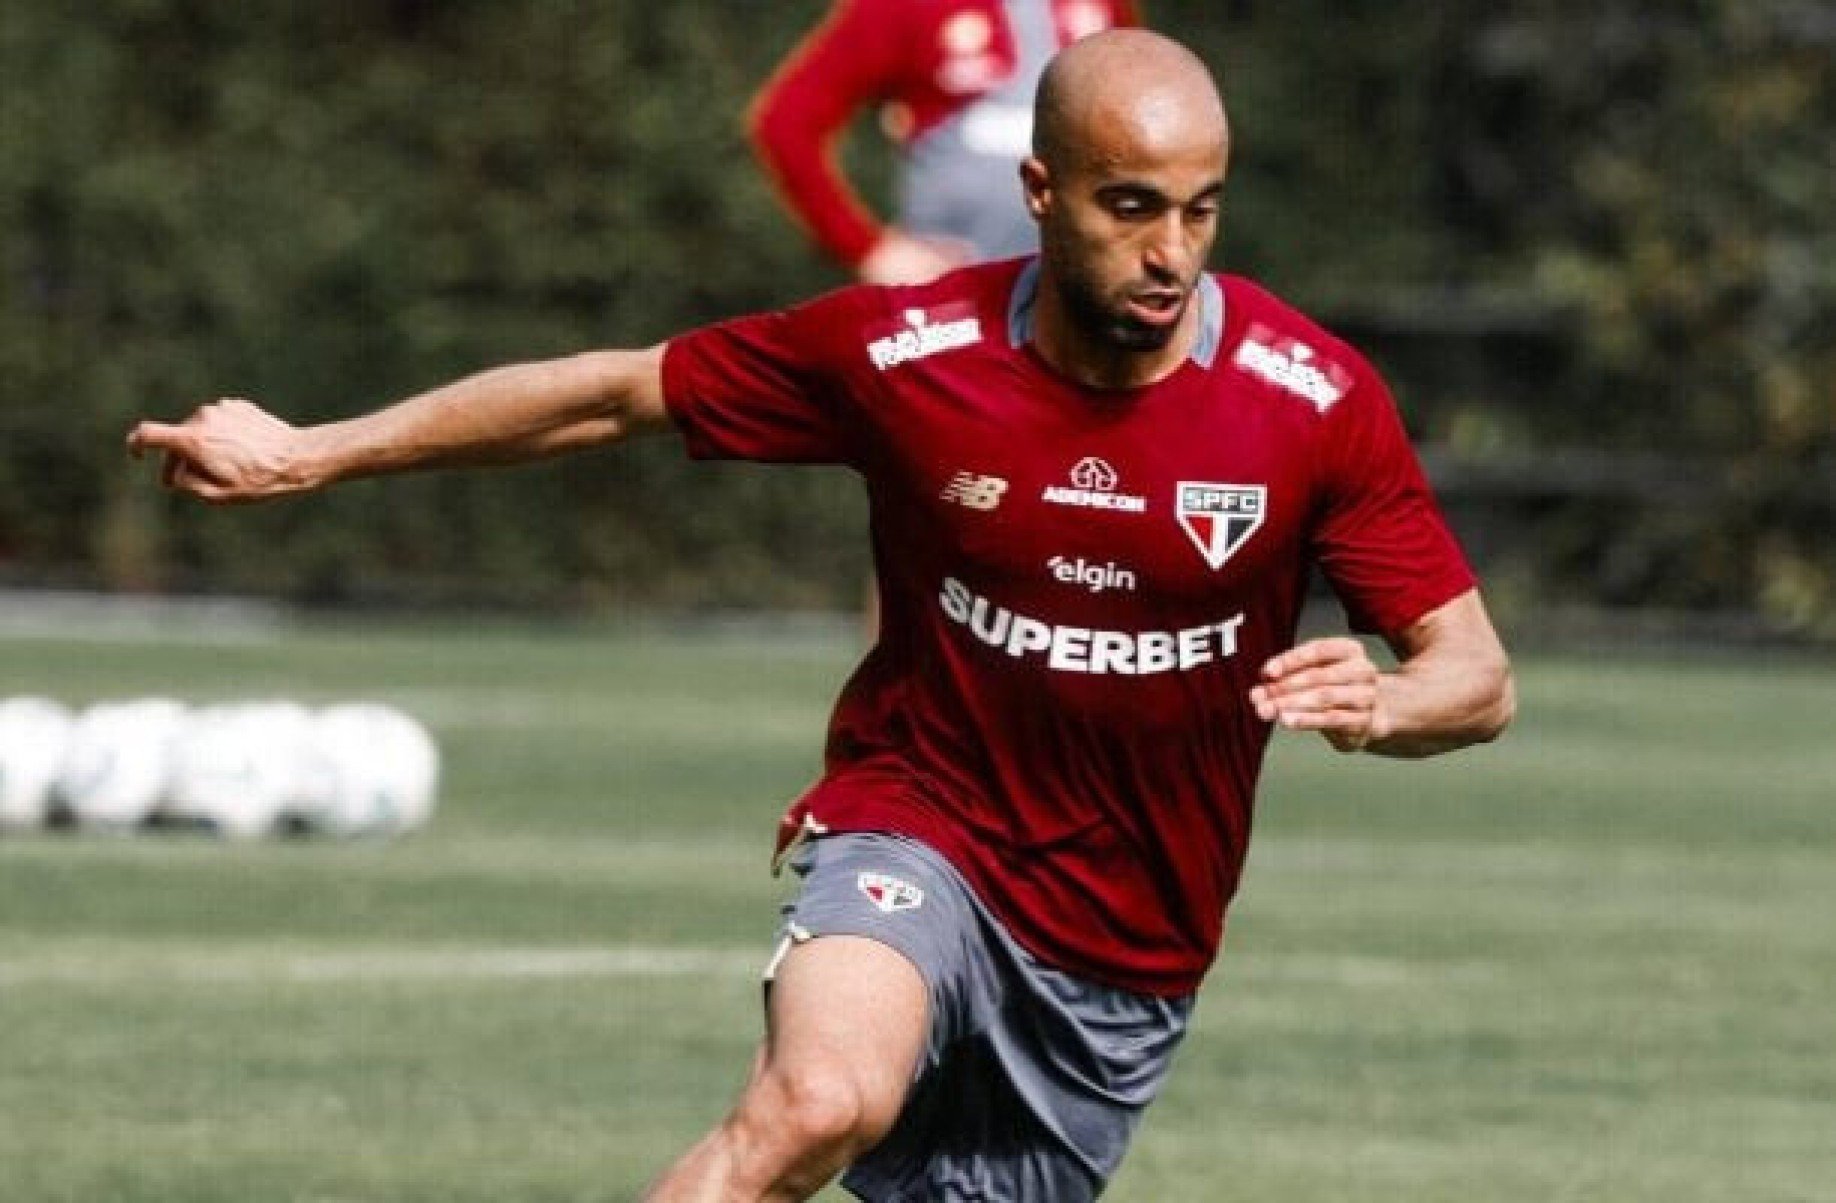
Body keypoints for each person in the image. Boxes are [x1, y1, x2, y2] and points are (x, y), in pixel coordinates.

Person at [129, 30, 1515, 1202]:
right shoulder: (910, 352)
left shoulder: (1310, 402)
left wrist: (1388, 703)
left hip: (1123, 951)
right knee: (814, 1100)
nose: (1171, 253)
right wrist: (313, 452)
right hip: (923, 825)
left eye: (1200, 212)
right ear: (1040, 191)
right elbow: (612, 394)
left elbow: (1476, 675)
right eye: (1131, 206)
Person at [751, 0, 1141, 285]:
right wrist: (869, 250)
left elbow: (1143, 116)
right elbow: (785, 124)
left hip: (1084, 295)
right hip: (958, 304)